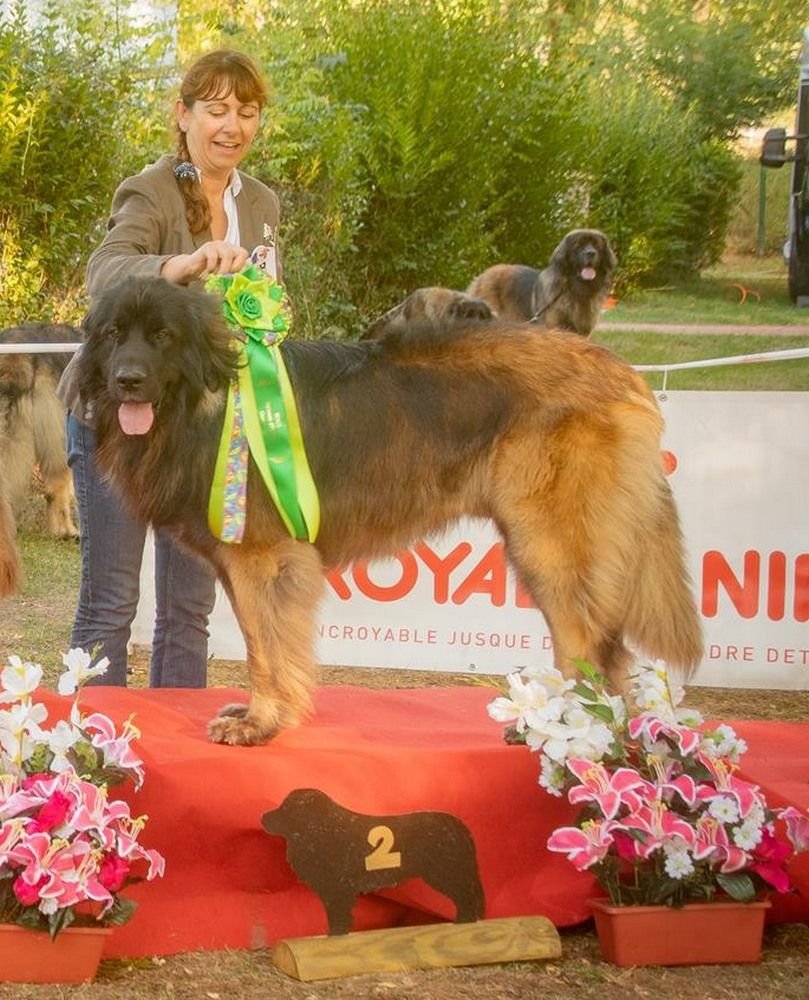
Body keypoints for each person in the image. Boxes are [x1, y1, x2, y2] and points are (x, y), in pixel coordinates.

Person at [58, 49, 282, 687]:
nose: (231, 125)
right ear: (183, 116)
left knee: (191, 609)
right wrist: (174, 268)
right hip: (115, 420)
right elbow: (103, 271)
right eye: (216, 110)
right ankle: (90, 756)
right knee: (111, 604)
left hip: (206, 429)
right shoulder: (149, 189)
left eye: (246, 112)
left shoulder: (263, 204)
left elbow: (263, 307)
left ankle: (180, 763)